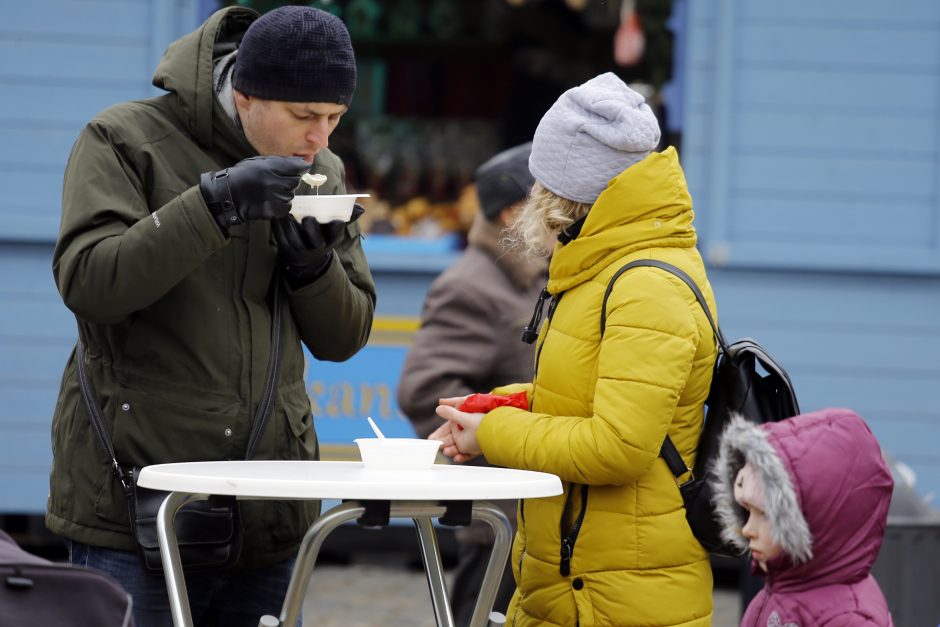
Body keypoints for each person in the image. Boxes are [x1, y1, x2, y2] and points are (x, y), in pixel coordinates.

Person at [47, 6, 375, 626]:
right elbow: (90, 284)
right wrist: (215, 203)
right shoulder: (122, 139)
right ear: (244, 95)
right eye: (306, 117)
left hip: (271, 506)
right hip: (136, 505)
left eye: (335, 118)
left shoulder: (320, 171)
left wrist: (313, 271)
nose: (321, 140)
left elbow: (345, 337)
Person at [430, 72, 717, 626]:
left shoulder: (643, 284)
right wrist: (498, 406)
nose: (532, 194)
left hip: (616, 595)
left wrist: (493, 435)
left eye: (542, 181)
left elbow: (618, 446)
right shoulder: (608, 263)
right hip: (582, 581)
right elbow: (590, 393)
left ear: (569, 191)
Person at [397, 143, 545, 625]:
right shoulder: (472, 285)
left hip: (533, 517)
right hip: (499, 521)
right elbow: (425, 390)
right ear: (511, 214)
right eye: (547, 201)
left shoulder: (535, 277)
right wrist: (497, 436)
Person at [712, 408, 895, 626]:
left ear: (818, 521)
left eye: (767, 515)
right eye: (747, 511)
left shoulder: (851, 619)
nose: (747, 529)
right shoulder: (779, 589)